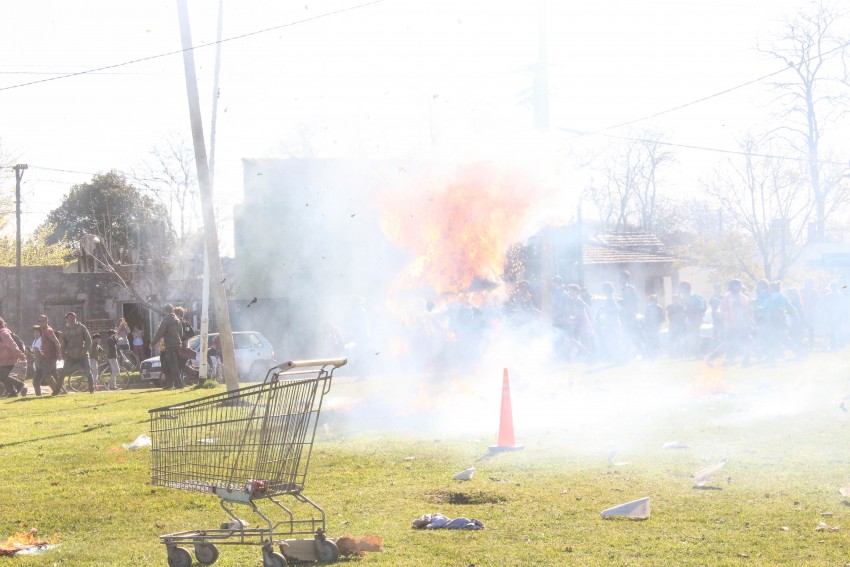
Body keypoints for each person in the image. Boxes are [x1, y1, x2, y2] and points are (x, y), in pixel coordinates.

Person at [61, 312, 95, 394]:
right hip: (71, 356)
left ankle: (91, 388)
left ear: (76, 318)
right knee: (63, 372)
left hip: (82, 355)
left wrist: (85, 350)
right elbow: (63, 344)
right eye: (69, 318)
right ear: (67, 320)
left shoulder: (82, 327)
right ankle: (59, 389)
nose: (71, 319)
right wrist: (63, 355)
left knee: (88, 372)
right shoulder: (65, 330)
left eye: (73, 318)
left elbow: (88, 340)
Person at [151, 304, 183, 389]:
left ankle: (177, 384)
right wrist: (179, 342)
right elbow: (181, 333)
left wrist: (153, 343)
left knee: (170, 366)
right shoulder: (177, 319)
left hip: (169, 345)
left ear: (165, 311)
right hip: (176, 344)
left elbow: (160, 332)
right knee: (171, 365)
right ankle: (170, 384)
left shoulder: (166, 320)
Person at [0, 317, 27, 396]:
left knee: (2, 376)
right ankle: (12, 392)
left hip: (8, 359)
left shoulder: (3, 333)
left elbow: (12, 345)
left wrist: (20, 354)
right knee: (3, 376)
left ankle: (19, 385)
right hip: (3, 359)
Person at [37, 315, 63, 396]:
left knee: (46, 373)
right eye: (39, 321)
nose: (41, 323)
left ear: (47, 321)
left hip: (50, 356)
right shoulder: (45, 331)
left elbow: (56, 342)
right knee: (54, 374)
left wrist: (59, 354)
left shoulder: (48, 331)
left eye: (43, 321)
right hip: (48, 355)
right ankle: (63, 390)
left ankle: (56, 390)